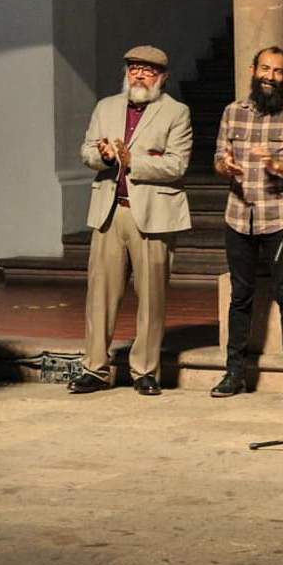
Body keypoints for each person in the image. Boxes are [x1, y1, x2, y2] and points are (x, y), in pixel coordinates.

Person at [69, 45, 192, 396]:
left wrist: (133, 160)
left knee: (152, 296)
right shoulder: (106, 107)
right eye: (134, 68)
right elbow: (86, 151)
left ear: (163, 77)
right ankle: (95, 368)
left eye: (149, 70)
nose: (139, 75)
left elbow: (176, 165)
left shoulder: (176, 112)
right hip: (110, 210)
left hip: (153, 215)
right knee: (100, 294)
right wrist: (106, 157)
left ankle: (145, 370)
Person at [210, 46, 283, 401]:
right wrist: (226, 167)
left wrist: (277, 166)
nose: (271, 77)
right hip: (239, 216)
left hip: (280, 216)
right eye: (265, 70)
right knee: (240, 296)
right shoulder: (232, 112)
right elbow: (218, 159)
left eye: (278, 72)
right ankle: (234, 373)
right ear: (253, 70)